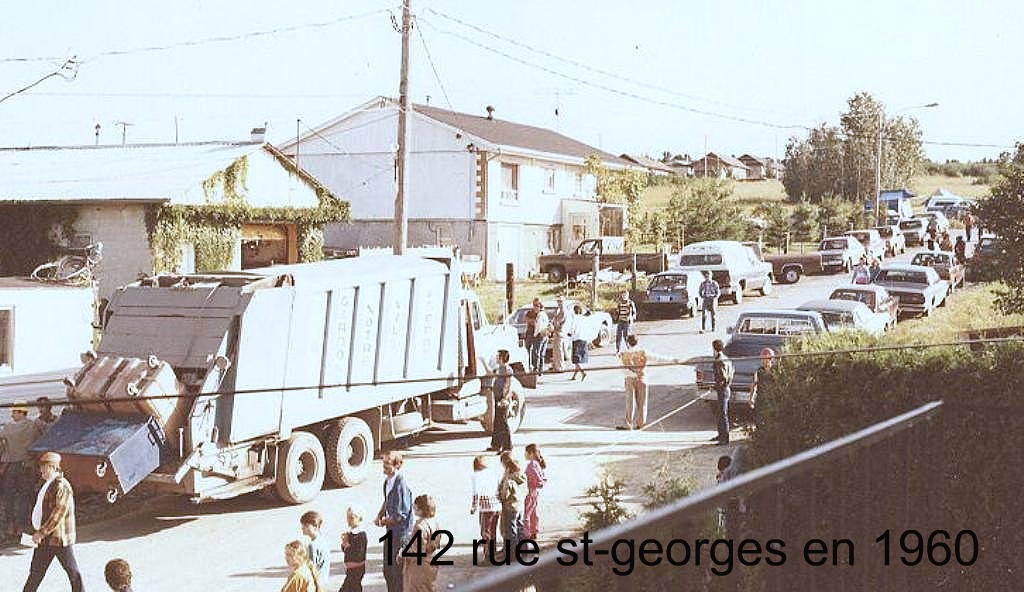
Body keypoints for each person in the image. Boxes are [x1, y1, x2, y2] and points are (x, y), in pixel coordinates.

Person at [22, 452, 83, 592]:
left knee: (73, 573)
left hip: (58, 539)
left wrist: (41, 533)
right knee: (36, 573)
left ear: (53, 467)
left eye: (44, 467)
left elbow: (58, 514)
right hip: (46, 539)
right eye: (41, 467)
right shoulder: (48, 484)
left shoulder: (61, 486)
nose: (41, 470)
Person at [617, 335, 679, 430]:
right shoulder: (643, 352)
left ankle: (628, 423)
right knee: (642, 402)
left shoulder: (623, 354)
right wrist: (672, 359)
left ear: (627, 343)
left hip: (630, 378)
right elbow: (657, 358)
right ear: (637, 342)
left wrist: (632, 373)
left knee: (630, 401)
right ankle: (641, 423)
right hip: (642, 377)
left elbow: (622, 369)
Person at [2, 403, 41, 539]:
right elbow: (38, 441)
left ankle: (10, 525)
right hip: (27, 465)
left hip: (11, 466)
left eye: (14, 412)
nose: (12, 415)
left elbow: (2, 444)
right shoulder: (33, 426)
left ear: (21, 412)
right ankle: (21, 526)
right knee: (25, 496)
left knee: (9, 497)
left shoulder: (7, 427)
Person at [375, 451, 413, 592]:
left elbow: (401, 515)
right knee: (387, 569)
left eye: (387, 463)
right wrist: (380, 514)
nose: (383, 466)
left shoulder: (401, 485)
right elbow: (387, 499)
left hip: (401, 534)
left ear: (397, 465)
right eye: (383, 462)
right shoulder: (387, 482)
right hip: (390, 531)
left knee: (397, 572)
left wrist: (384, 522)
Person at [402, 494, 440, 592]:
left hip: (419, 567)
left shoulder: (419, 527)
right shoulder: (435, 523)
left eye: (415, 507)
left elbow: (417, 551)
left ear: (421, 510)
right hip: (432, 562)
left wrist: (402, 554)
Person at [469, 455, 501, 559]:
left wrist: (474, 507)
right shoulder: (493, 473)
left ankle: (488, 555)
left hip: (486, 508)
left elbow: (476, 493)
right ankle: (493, 551)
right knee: (493, 530)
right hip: (497, 505)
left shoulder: (475, 476)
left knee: (485, 532)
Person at [497, 452, 525, 559]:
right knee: (520, 528)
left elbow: (505, 494)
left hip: (510, 507)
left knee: (510, 530)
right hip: (519, 505)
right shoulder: (521, 475)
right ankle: (523, 549)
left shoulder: (509, 479)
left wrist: (500, 497)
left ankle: (512, 553)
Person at [488, 350, 514, 453]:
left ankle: (507, 446)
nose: (496, 358)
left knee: (503, 422)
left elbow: (508, 385)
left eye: (498, 356)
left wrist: (505, 398)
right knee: (497, 421)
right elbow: (491, 373)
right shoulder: (499, 369)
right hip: (497, 397)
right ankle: (496, 445)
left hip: (503, 398)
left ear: (503, 358)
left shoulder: (507, 370)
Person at [710, 340, 734, 445]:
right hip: (726, 389)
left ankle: (725, 438)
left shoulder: (719, 360)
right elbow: (732, 371)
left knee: (723, 414)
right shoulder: (725, 358)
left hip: (723, 390)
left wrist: (716, 386)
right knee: (720, 413)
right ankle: (721, 435)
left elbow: (723, 377)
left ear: (715, 348)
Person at [340, 505, 367, 592]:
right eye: (347, 517)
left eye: (351, 518)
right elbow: (345, 550)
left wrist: (347, 544)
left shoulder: (361, 535)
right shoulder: (351, 533)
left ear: (359, 518)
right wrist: (344, 543)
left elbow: (358, 554)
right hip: (350, 568)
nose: (348, 520)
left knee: (352, 587)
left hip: (357, 568)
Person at [522, 444, 547, 541]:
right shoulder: (537, 464)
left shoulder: (531, 465)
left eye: (526, 453)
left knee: (526, 513)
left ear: (531, 453)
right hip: (535, 492)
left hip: (530, 490)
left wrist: (535, 483)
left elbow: (537, 478)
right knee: (533, 512)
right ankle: (534, 531)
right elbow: (543, 478)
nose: (525, 455)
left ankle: (526, 533)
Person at [300, 510, 328, 585]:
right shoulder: (323, 540)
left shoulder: (313, 545)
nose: (302, 528)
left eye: (306, 525)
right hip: (323, 580)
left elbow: (312, 568)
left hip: (315, 582)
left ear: (315, 526)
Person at [524, 299, 550, 375]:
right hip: (530, 334)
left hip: (539, 335)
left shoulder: (541, 314)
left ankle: (537, 369)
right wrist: (532, 321)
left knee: (538, 353)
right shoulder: (530, 312)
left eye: (537, 305)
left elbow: (538, 325)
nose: (535, 307)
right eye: (534, 305)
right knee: (531, 352)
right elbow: (527, 320)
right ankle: (533, 368)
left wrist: (533, 322)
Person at [549, 297, 572, 374]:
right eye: (558, 301)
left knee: (559, 351)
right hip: (558, 333)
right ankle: (556, 366)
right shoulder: (560, 311)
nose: (559, 303)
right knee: (556, 351)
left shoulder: (564, 312)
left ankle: (560, 367)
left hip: (560, 333)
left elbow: (558, 322)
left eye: (561, 301)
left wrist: (555, 321)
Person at [568, 304, 590, 381]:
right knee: (580, 357)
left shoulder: (575, 319)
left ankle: (582, 372)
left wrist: (569, 333)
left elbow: (572, 329)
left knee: (576, 358)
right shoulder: (584, 318)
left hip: (577, 339)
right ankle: (574, 375)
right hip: (584, 338)